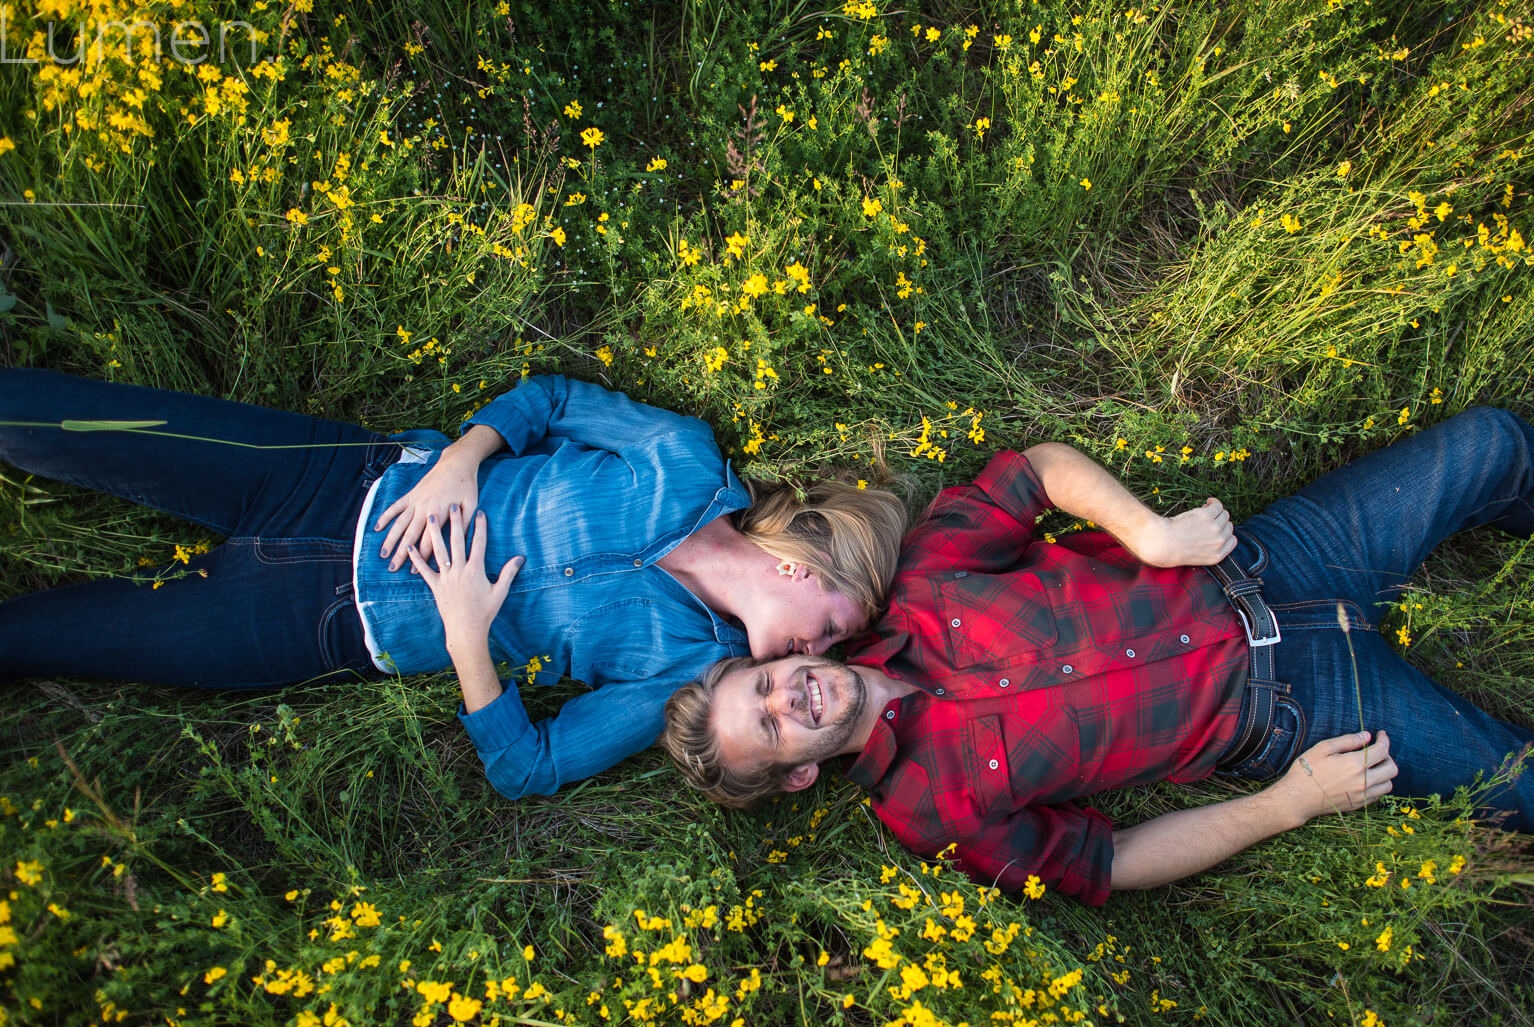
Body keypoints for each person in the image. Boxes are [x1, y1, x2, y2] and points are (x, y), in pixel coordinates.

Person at [662, 408, 1534, 905]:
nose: (794, 697)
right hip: (1303, 708)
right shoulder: (929, 813)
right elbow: (1110, 863)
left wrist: (1150, 535)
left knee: (1493, 444)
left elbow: (1037, 470)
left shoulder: (919, 579)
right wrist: (1288, 805)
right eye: (776, 730)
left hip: (1272, 560)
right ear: (796, 778)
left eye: (766, 685)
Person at [0, 367, 905, 797]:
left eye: (829, 653)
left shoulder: (686, 677)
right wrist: (465, 459)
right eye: (833, 624)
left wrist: (469, 637)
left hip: (320, 622)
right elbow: (550, 401)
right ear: (808, 563)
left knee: (46, 638)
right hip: (333, 476)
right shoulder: (684, 459)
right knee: (54, 421)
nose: (817, 655)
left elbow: (529, 768)